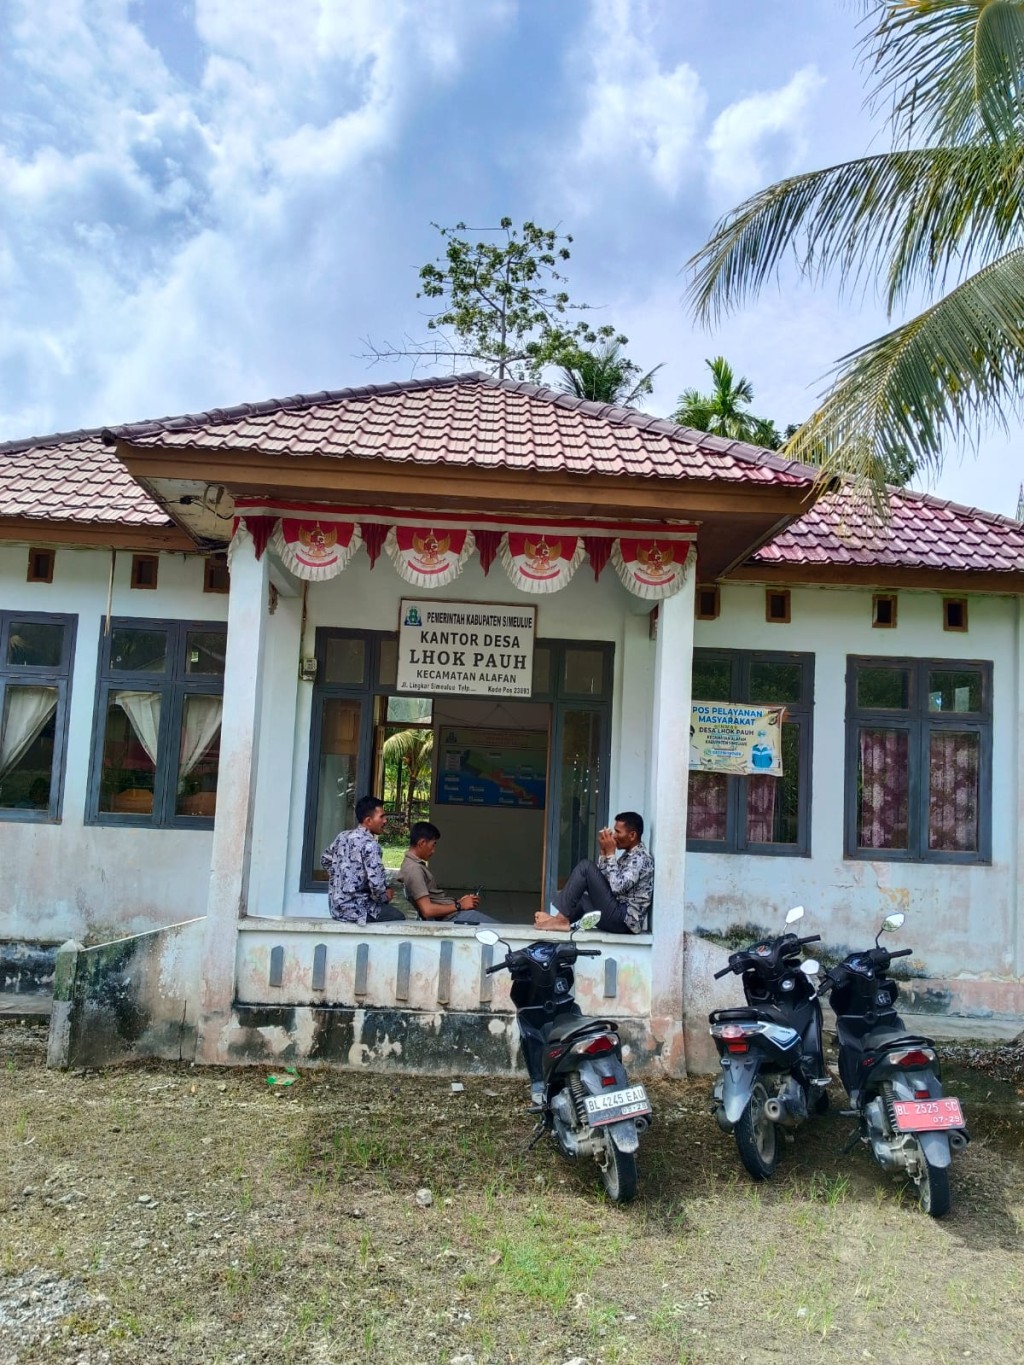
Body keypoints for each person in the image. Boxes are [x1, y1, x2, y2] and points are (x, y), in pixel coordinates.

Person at [535, 811, 653, 935]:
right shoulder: (629, 855)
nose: (614, 836)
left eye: (618, 832)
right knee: (581, 897)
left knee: (585, 867)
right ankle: (560, 919)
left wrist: (611, 854)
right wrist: (603, 853)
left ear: (632, 835)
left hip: (623, 921)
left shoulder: (641, 858)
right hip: (616, 914)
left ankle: (560, 920)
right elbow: (606, 880)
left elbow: (617, 887)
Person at [321, 794, 406, 925]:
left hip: (336, 908)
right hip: (358, 910)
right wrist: (385, 896)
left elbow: (325, 859)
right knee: (399, 918)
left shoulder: (342, 836)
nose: (385, 821)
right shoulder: (371, 845)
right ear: (368, 821)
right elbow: (377, 887)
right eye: (381, 817)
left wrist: (340, 879)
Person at [398, 822, 498, 924]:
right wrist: (459, 906)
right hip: (452, 918)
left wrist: (459, 902)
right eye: (433, 845)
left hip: (453, 913)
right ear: (422, 843)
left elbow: (432, 900)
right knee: (501, 931)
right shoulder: (414, 869)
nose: (433, 851)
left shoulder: (412, 864)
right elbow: (427, 910)